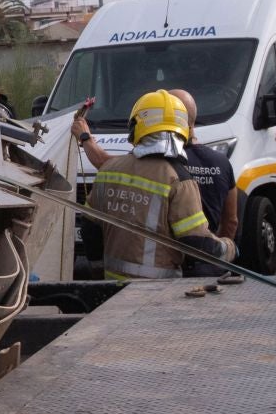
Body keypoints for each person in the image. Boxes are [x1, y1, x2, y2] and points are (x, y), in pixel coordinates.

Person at [86, 90, 237, 278]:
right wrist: (229, 248)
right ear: (184, 129)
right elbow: (196, 243)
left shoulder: (107, 171)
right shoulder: (179, 179)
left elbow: (90, 230)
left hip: (113, 284)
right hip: (157, 292)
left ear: (134, 126)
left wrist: (99, 263)